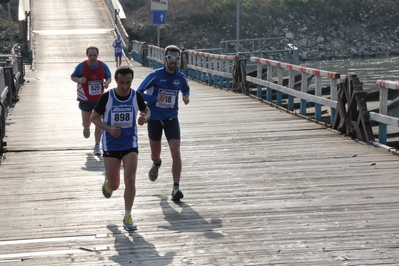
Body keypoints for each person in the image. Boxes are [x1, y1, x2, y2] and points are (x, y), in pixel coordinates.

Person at [91, 66, 150, 231]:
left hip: (130, 143)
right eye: (122, 82)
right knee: (115, 185)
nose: (125, 86)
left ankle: (128, 215)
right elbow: (94, 117)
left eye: (128, 82)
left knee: (130, 179)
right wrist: (109, 129)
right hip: (111, 144)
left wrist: (144, 117)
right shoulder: (107, 97)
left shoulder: (135, 96)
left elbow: (147, 111)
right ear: (116, 81)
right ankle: (108, 183)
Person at [137, 45, 190, 202]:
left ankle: (176, 187)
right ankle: (157, 163)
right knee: (155, 154)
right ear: (165, 59)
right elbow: (138, 93)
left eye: (176, 58)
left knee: (176, 151)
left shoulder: (180, 78)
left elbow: (186, 88)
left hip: (171, 119)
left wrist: (185, 96)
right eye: (171, 58)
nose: (174, 61)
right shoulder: (155, 76)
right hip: (154, 119)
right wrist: (155, 99)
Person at [71, 46, 112, 155]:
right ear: (87, 55)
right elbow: (73, 76)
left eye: (94, 55)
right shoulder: (81, 66)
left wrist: (107, 82)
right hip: (85, 98)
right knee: (86, 122)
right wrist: (79, 79)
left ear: (97, 55)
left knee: (98, 123)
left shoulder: (103, 66)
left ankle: (97, 146)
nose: (93, 57)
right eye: (90, 55)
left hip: (99, 99)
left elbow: (109, 77)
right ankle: (86, 127)